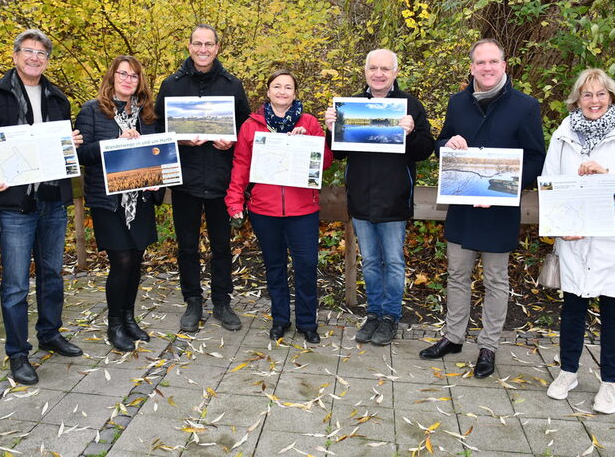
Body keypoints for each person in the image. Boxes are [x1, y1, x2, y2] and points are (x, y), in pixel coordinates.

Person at [0, 29, 84, 385]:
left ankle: (50, 333)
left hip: (52, 200)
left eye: (41, 53)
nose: (34, 58)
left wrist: (69, 142)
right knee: (14, 284)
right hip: (13, 203)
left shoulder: (58, 98)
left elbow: (59, 148)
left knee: (52, 275)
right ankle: (17, 353)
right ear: (15, 56)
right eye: (27, 51)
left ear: (47, 60)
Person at [419, 39, 545, 379]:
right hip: (463, 205)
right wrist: (449, 144)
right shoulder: (457, 103)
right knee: (457, 275)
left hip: (499, 208)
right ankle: (453, 337)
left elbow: (536, 160)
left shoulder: (525, 106)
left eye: (493, 62)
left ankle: (488, 346)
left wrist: (503, 187)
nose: (487, 68)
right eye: (480, 62)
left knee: (495, 280)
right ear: (472, 67)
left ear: (504, 65)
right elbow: (439, 144)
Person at [543, 68, 615, 413]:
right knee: (572, 310)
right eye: (587, 95)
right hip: (575, 240)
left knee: (614, 315)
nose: (594, 101)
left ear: (611, 97)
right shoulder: (563, 136)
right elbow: (550, 184)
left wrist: (611, 175)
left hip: (614, 244)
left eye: (600, 94)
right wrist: (560, 225)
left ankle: (610, 383)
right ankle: (568, 372)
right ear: (577, 99)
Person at [325, 49, 434, 346]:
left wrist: (411, 132)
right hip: (360, 198)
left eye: (385, 68)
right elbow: (338, 152)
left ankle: (390, 317)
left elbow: (426, 150)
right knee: (370, 261)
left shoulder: (410, 105)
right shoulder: (352, 105)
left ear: (396, 72)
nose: (379, 73)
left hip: (395, 199)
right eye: (373, 67)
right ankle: (373, 314)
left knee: (394, 262)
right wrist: (331, 129)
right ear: (365, 71)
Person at [225, 70, 333, 343]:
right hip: (264, 209)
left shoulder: (309, 122)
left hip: (302, 210)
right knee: (274, 267)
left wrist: (308, 141)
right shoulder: (252, 124)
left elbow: (327, 162)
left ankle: (308, 323)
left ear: (295, 93)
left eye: (288, 87)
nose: (282, 91)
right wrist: (234, 199)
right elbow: (241, 164)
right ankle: (280, 320)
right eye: (277, 86)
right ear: (268, 91)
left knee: (306, 266)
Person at [155, 24, 250, 333]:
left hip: (222, 180)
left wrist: (231, 141)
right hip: (186, 180)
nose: (203, 49)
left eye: (209, 44)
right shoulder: (171, 85)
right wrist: (179, 141)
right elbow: (158, 131)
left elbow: (246, 130)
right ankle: (193, 301)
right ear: (189, 46)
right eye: (198, 43)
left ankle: (222, 302)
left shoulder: (232, 85)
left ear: (217, 48)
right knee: (187, 246)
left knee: (222, 246)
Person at [75, 56, 163, 352]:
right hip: (109, 202)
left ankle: (129, 317)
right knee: (121, 261)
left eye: (134, 76)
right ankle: (114, 324)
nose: (128, 79)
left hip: (140, 198)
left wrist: (157, 176)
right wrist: (115, 141)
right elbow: (80, 153)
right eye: (122, 74)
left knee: (136, 260)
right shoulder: (93, 110)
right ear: (112, 77)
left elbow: (157, 153)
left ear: (140, 81)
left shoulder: (147, 114)